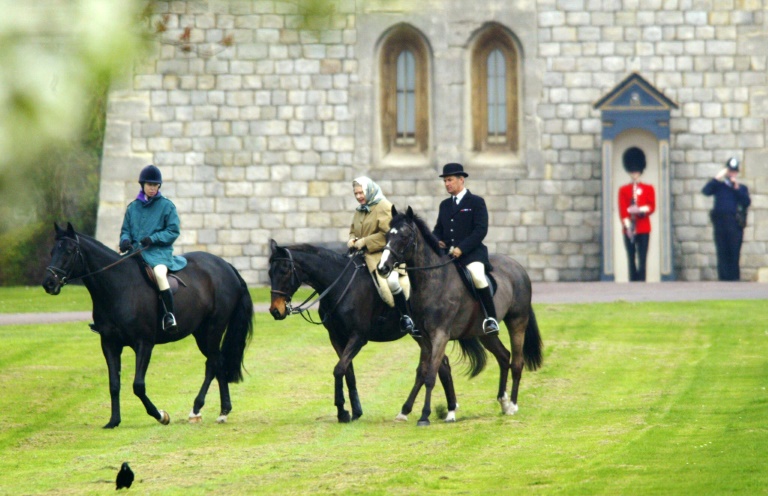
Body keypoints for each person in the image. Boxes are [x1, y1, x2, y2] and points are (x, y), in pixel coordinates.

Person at [432, 163, 498, 334]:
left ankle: (491, 318)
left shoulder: (476, 202)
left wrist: (462, 248)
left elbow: (480, 230)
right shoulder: (444, 205)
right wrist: (437, 240)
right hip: (449, 255)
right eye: (445, 181)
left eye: (450, 180)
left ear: (461, 180)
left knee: (477, 276)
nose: (447, 184)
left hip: (472, 254)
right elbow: (438, 229)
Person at [120, 165, 187, 332]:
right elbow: (125, 230)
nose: (152, 188)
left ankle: (169, 315)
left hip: (158, 254)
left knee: (159, 275)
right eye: (149, 185)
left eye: (155, 185)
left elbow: (173, 231)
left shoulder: (167, 206)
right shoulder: (132, 207)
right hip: (135, 253)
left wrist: (154, 238)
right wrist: (125, 240)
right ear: (142, 185)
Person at [347, 176, 416, 336]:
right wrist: (352, 239)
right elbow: (353, 229)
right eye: (356, 194)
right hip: (362, 256)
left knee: (391, 283)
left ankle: (405, 317)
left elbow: (389, 234)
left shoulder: (384, 206)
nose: (358, 197)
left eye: (361, 193)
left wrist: (365, 241)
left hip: (386, 256)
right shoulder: (360, 210)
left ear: (369, 190)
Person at [702, 157, 751, 281]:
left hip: (734, 224)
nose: (731, 174)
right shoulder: (719, 186)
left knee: (733, 253)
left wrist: (737, 188)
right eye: (730, 171)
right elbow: (706, 191)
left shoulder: (741, 188)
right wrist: (717, 177)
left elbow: (746, 202)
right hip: (720, 223)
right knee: (722, 252)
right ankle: (723, 281)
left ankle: (734, 279)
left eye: (734, 172)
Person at [617, 147, 656, 282]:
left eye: (636, 171)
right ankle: (633, 281)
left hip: (644, 227)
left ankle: (642, 281)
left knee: (642, 257)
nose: (635, 174)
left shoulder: (648, 188)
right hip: (629, 228)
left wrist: (640, 210)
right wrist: (628, 226)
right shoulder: (624, 190)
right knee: (631, 257)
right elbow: (622, 209)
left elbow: (651, 206)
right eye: (632, 171)